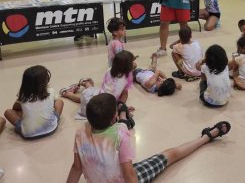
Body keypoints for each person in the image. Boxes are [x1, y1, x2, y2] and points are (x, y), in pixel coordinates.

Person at [66, 93, 231, 183]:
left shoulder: (80, 131)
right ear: (113, 119)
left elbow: (76, 168)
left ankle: (124, 112)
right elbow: (129, 175)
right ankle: (206, 137)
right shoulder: (120, 133)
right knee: (169, 155)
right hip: (123, 176)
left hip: (109, 172)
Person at [60, 51, 136, 128]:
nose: (134, 63)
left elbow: (105, 88)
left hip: (97, 95)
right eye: (132, 62)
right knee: (82, 99)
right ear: (128, 66)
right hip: (99, 104)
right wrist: (122, 108)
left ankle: (84, 83)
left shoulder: (110, 70)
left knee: (87, 94)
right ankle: (68, 93)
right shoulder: (127, 77)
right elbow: (124, 94)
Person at [4, 65, 64, 139]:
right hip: (51, 128)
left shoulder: (23, 96)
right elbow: (53, 103)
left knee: (8, 112)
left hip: (28, 134)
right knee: (59, 101)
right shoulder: (50, 91)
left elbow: (15, 108)